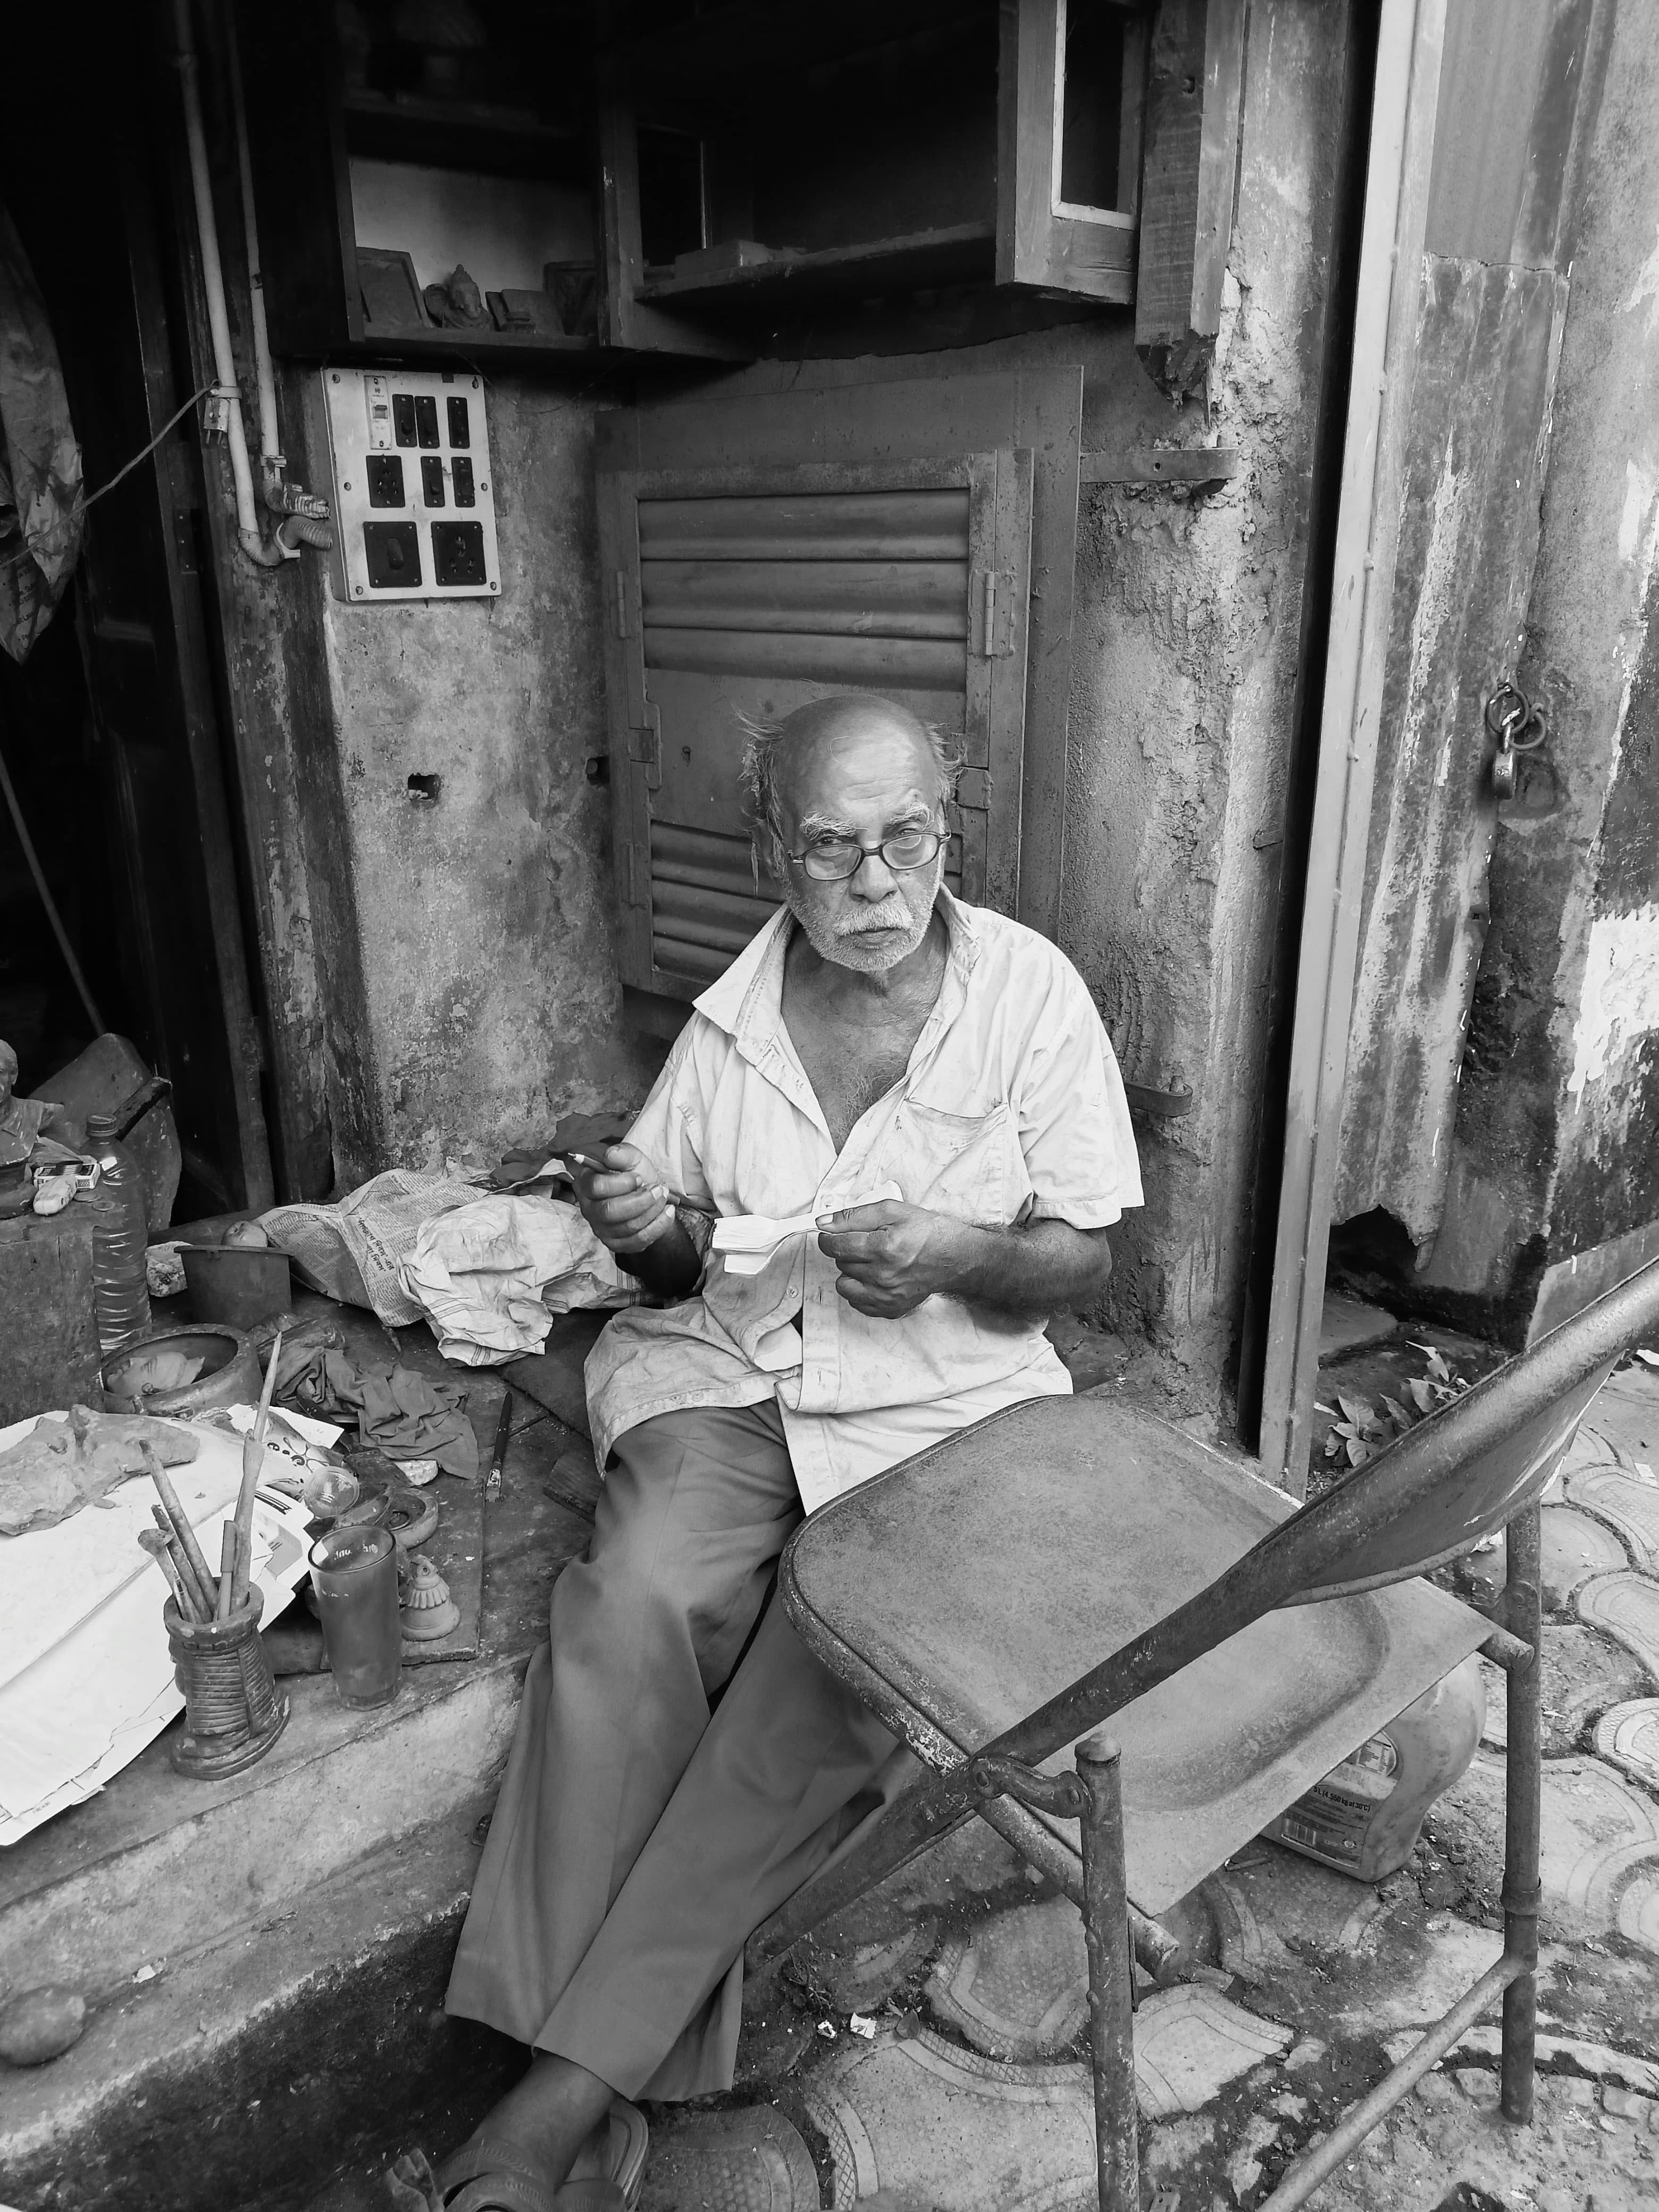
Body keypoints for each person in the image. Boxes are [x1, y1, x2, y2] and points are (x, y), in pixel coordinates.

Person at [430, 694, 1142, 2209]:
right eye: (832, 850)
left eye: (909, 841)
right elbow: (687, 1267)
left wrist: (962, 1252)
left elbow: (1083, 1260)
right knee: (630, 1607)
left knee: (809, 1696)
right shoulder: (731, 1025)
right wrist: (651, 1231)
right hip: (741, 1380)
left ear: (951, 835)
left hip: (947, 1412)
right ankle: (592, 2055)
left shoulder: (1031, 998)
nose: (877, 885)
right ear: (772, 854)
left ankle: (555, 2098)